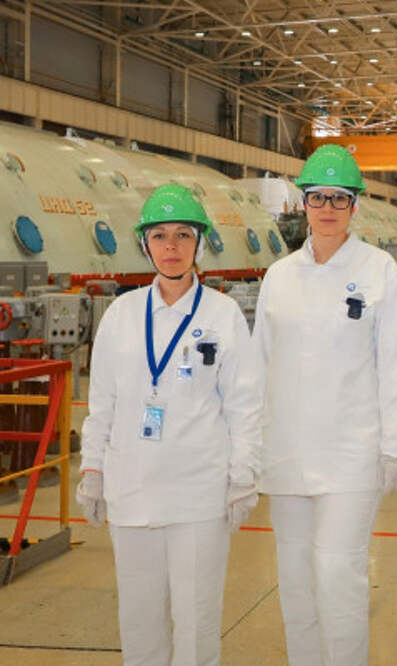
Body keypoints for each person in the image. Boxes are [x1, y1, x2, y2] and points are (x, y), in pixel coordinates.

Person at [75, 183, 261, 665]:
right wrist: (92, 470)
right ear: (145, 244)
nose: (171, 246)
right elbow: (102, 403)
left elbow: (244, 405)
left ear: (199, 243)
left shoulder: (222, 314)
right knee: (139, 622)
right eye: (159, 235)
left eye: (183, 235)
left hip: (198, 495)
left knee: (197, 622)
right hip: (131, 490)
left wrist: (243, 476)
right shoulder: (122, 314)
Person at [252, 144, 397, 665]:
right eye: (318, 197)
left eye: (339, 198)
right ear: (303, 203)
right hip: (285, 453)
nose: (327, 208)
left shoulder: (378, 271)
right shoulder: (279, 276)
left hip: (351, 455)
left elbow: (396, 363)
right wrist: (247, 448)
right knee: (295, 579)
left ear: (354, 205)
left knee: (337, 576)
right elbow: (257, 367)